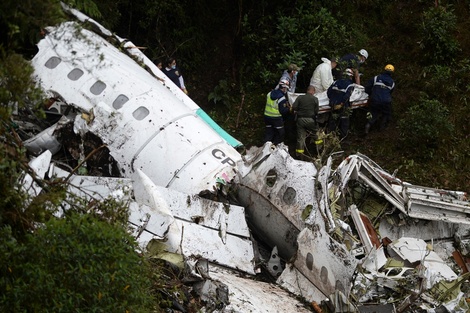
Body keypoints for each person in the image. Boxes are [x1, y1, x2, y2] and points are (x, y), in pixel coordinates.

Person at [364, 64, 396, 134]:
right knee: (386, 113)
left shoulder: (376, 78)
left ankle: (368, 125)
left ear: (384, 70)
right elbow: (390, 93)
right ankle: (382, 128)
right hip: (386, 101)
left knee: (373, 113)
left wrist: (370, 94)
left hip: (375, 99)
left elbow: (367, 87)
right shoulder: (392, 83)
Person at [292, 85, 322, 156]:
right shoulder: (315, 99)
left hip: (300, 120)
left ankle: (299, 154)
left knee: (301, 138)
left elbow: (294, 107)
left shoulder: (300, 97)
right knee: (317, 135)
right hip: (310, 120)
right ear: (312, 91)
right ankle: (319, 151)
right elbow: (316, 111)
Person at [327, 69, 355, 140]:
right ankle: (343, 139)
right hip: (343, 106)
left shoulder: (336, 82)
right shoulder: (350, 85)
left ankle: (331, 137)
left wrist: (332, 100)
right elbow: (347, 96)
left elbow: (328, 92)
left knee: (333, 121)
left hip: (333, 104)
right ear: (350, 76)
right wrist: (342, 103)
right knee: (344, 122)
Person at [264, 79, 291, 145]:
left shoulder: (269, 93)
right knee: (280, 134)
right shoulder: (282, 97)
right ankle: (276, 148)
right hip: (276, 118)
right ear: (284, 88)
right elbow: (282, 111)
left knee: (269, 133)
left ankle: (266, 148)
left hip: (267, 117)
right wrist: (289, 109)